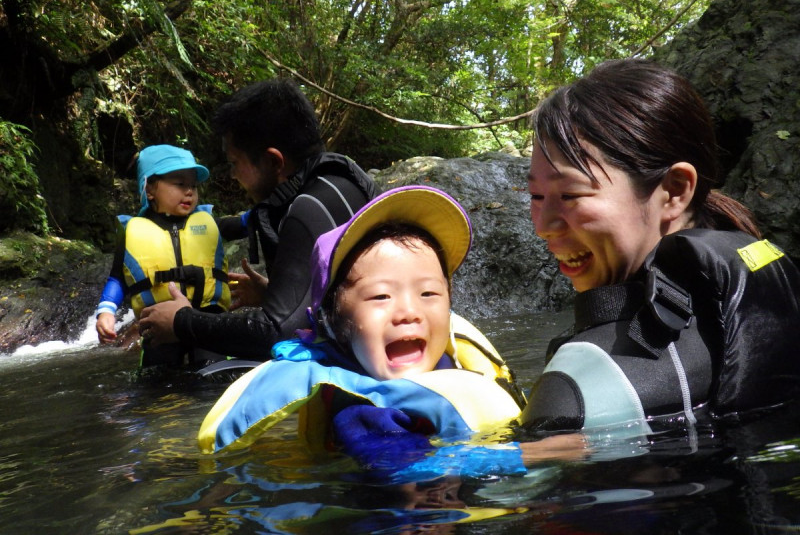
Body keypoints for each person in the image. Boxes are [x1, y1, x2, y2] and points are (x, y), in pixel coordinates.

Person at [521, 58, 800, 435]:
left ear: (675, 190)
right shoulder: (768, 292)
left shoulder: (578, 388)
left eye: (570, 194)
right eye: (536, 195)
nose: (542, 226)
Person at [197, 186, 542, 479]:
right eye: (381, 296)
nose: (409, 312)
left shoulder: (449, 363)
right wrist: (539, 454)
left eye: (429, 294)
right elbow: (406, 471)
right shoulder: (365, 412)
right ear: (333, 323)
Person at [139, 78, 377, 362]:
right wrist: (274, 295)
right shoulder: (337, 185)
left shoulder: (308, 208)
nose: (232, 175)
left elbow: (277, 333)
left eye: (234, 163)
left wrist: (181, 321)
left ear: (274, 162)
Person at [95, 144, 231, 367]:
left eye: (193, 185)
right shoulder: (133, 232)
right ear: (149, 190)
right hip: (159, 325)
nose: (189, 191)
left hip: (207, 320)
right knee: (158, 389)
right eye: (180, 184)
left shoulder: (209, 222)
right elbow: (118, 277)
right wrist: (106, 311)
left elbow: (249, 221)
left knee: (214, 377)